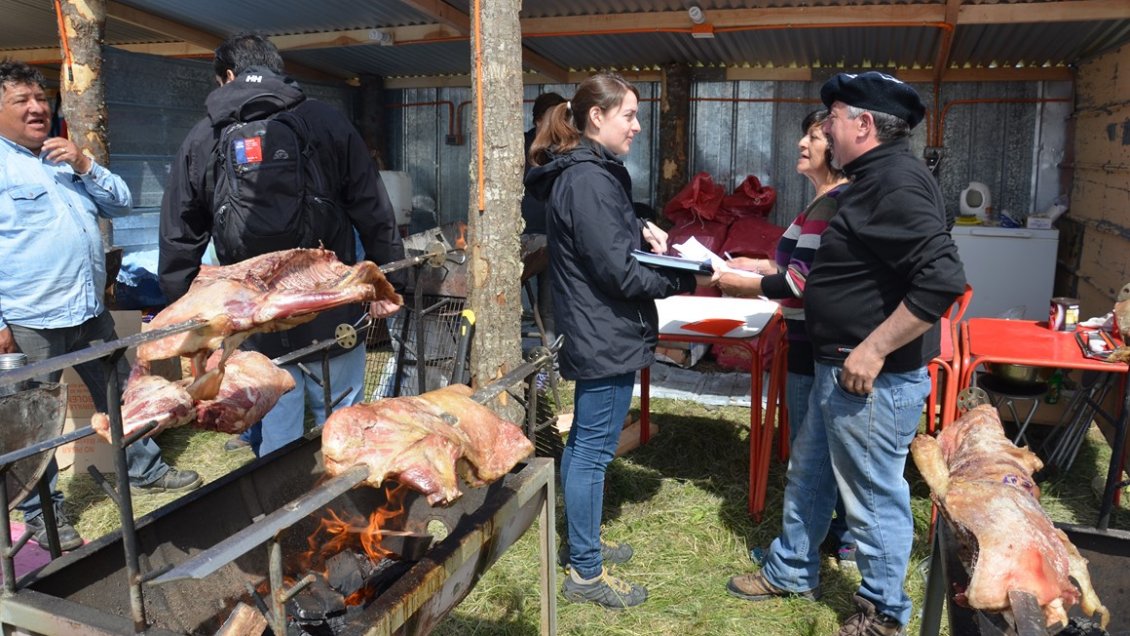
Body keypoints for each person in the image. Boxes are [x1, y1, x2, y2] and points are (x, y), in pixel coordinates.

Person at [724, 72, 966, 636]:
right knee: (809, 473)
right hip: (839, 371)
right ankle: (792, 569)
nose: (825, 128)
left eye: (833, 117)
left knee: (874, 497)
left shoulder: (894, 183)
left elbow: (942, 280)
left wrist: (873, 350)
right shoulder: (870, 178)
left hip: (870, 382)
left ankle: (883, 614)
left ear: (864, 124)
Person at [158, 33, 405, 458]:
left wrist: (184, 308)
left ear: (228, 76)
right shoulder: (327, 122)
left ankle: (281, 513)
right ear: (276, 69)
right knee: (343, 416)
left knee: (276, 421)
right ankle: (344, 507)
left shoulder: (203, 137)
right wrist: (388, 278)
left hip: (254, 315)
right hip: (331, 305)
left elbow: (180, 229)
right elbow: (372, 206)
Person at [0, 61, 202, 551]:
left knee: (122, 391)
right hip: (30, 321)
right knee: (34, 419)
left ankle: (145, 468)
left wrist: (84, 165)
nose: (36, 108)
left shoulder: (62, 159)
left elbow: (123, 202)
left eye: (40, 98)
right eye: (20, 100)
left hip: (89, 310)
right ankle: (43, 514)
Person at [525, 72, 708, 609]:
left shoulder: (593, 174)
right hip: (602, 329)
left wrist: (640, 228)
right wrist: (682, 275)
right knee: (592, 451)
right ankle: (585, 572)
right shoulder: (588, 179)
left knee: (588, 444)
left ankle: (584, 541)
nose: (636, 125)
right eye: (628, 114)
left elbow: (608, 247)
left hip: (600, 325)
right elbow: (618, 274)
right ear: (596, 117)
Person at [712, 109, 856, 565]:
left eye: (813, 137)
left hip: (814, 343)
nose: (802, 144)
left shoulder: (832, 202)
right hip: (806, 340)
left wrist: (745, 285)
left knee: (813, 451)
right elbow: (796, 269)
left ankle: (824, 543)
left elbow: (801, 284)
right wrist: (758, 267)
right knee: (817, 447)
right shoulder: (820, 201)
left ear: (833, 148)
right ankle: (831, 533)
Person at [520, 92, 567, 346]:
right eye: (554, 117)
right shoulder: (521, 146)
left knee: (549, 304)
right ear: (538, 119)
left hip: (553, 236)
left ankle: (551, 360)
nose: (559, 123)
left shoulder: (564, 150)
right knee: (508, 306)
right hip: (523, 237)